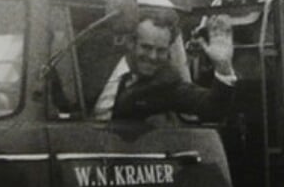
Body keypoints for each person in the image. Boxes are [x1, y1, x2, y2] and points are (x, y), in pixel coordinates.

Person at [94, 11, 237, 123]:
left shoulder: (166, 84)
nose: (153, 56)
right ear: (131, 43)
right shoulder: (96, 63)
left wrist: (223, 66)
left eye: (161, 50)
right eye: (146, 47)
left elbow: (213, 107)